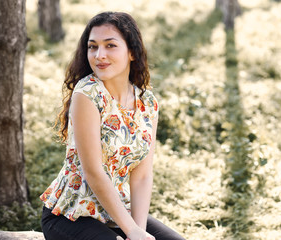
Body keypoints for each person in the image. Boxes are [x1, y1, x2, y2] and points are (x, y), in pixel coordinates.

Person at [40, 11, 185, 240]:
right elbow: (93, 172)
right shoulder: (87, 94)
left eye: (110, 46)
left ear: (132, 53)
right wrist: (132, 231)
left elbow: (142, 175)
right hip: (70, 214)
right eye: (93, 46)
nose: (99, 55)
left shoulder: (148, 103)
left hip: (116, 212)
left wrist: (138, 230)